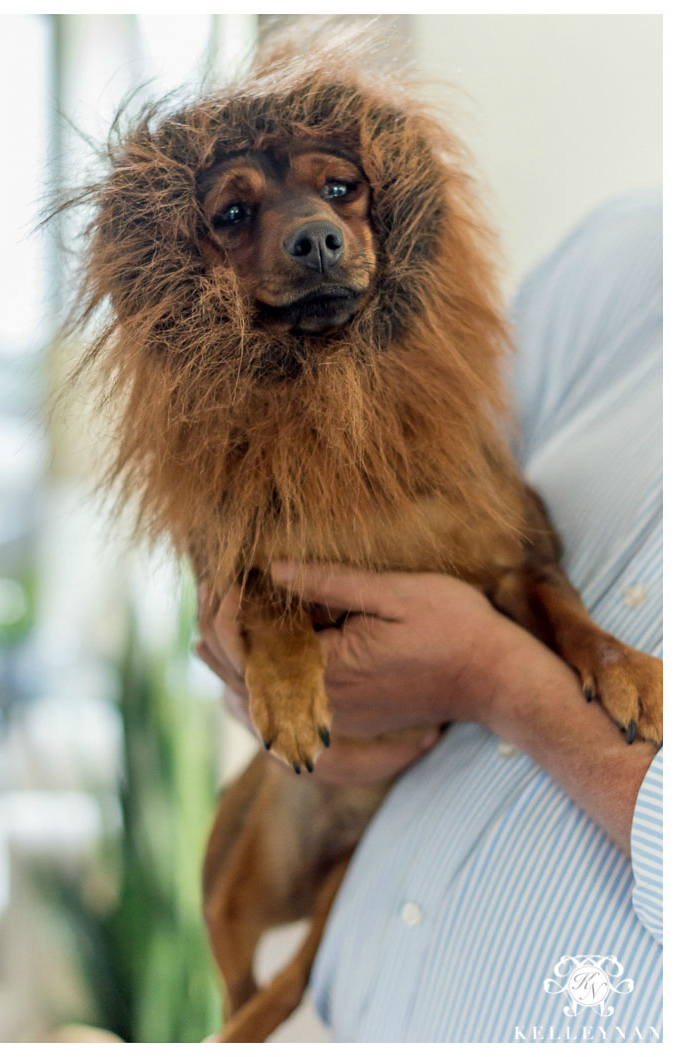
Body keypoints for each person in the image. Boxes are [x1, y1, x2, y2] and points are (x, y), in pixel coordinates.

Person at [194, 191, 662, 1041]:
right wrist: (257, 638)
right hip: (336, 1002)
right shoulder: (620, 254)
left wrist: (497, 680)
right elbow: (450, 499)